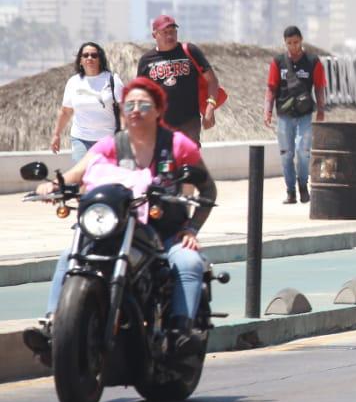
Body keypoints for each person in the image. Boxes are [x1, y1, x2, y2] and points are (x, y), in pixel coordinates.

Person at [23, 76, 218, 366]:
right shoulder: (111, 145)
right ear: (122, 111)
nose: (136, 110)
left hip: (164, 233)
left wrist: (191, 228)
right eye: (130, 105)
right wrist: (53, 185)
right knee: (69, 256)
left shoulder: (178, 145)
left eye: (144, 105)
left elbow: (208, 189)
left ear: (158, 110)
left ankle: (181, 332)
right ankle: (54, 326)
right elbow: (76, 173)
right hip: (117, 229)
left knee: (188, 262)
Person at [264, 25, 328, 205]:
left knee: (303, 151)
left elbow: (320, 86)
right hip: (284, 115)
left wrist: (321, 109)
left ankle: (303, 185)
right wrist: (267, 110)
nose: (293, 46)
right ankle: (290, 191)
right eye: (289, 43)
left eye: (296, 42)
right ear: (285, 43)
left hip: (305, 115)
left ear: (302, 41)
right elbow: (271, 87)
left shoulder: (312, 61)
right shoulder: (278, 62)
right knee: (286, 154)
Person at [137, 14, 221, 146]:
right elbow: (140, 94)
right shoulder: (146, 61)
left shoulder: (190, 51)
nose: (170, 36)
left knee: (188, 164)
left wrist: (210, 108)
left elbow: (212, 81)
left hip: (189, 123)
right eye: (165, 32)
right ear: (154, 35)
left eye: (172, 32)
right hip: (160, 125)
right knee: (164, 164)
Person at [51, 42, 124, 160]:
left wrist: (124, 135)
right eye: (85, 55)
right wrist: (56, 135)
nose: (89, 58)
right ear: (80, 60)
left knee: (103, 175)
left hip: (107, 139)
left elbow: (123, 110)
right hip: (81, 139)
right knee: (82, 174)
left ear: (100, 59)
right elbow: (66, 112)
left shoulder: (112, 79)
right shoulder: (73, 82)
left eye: (94, 55)